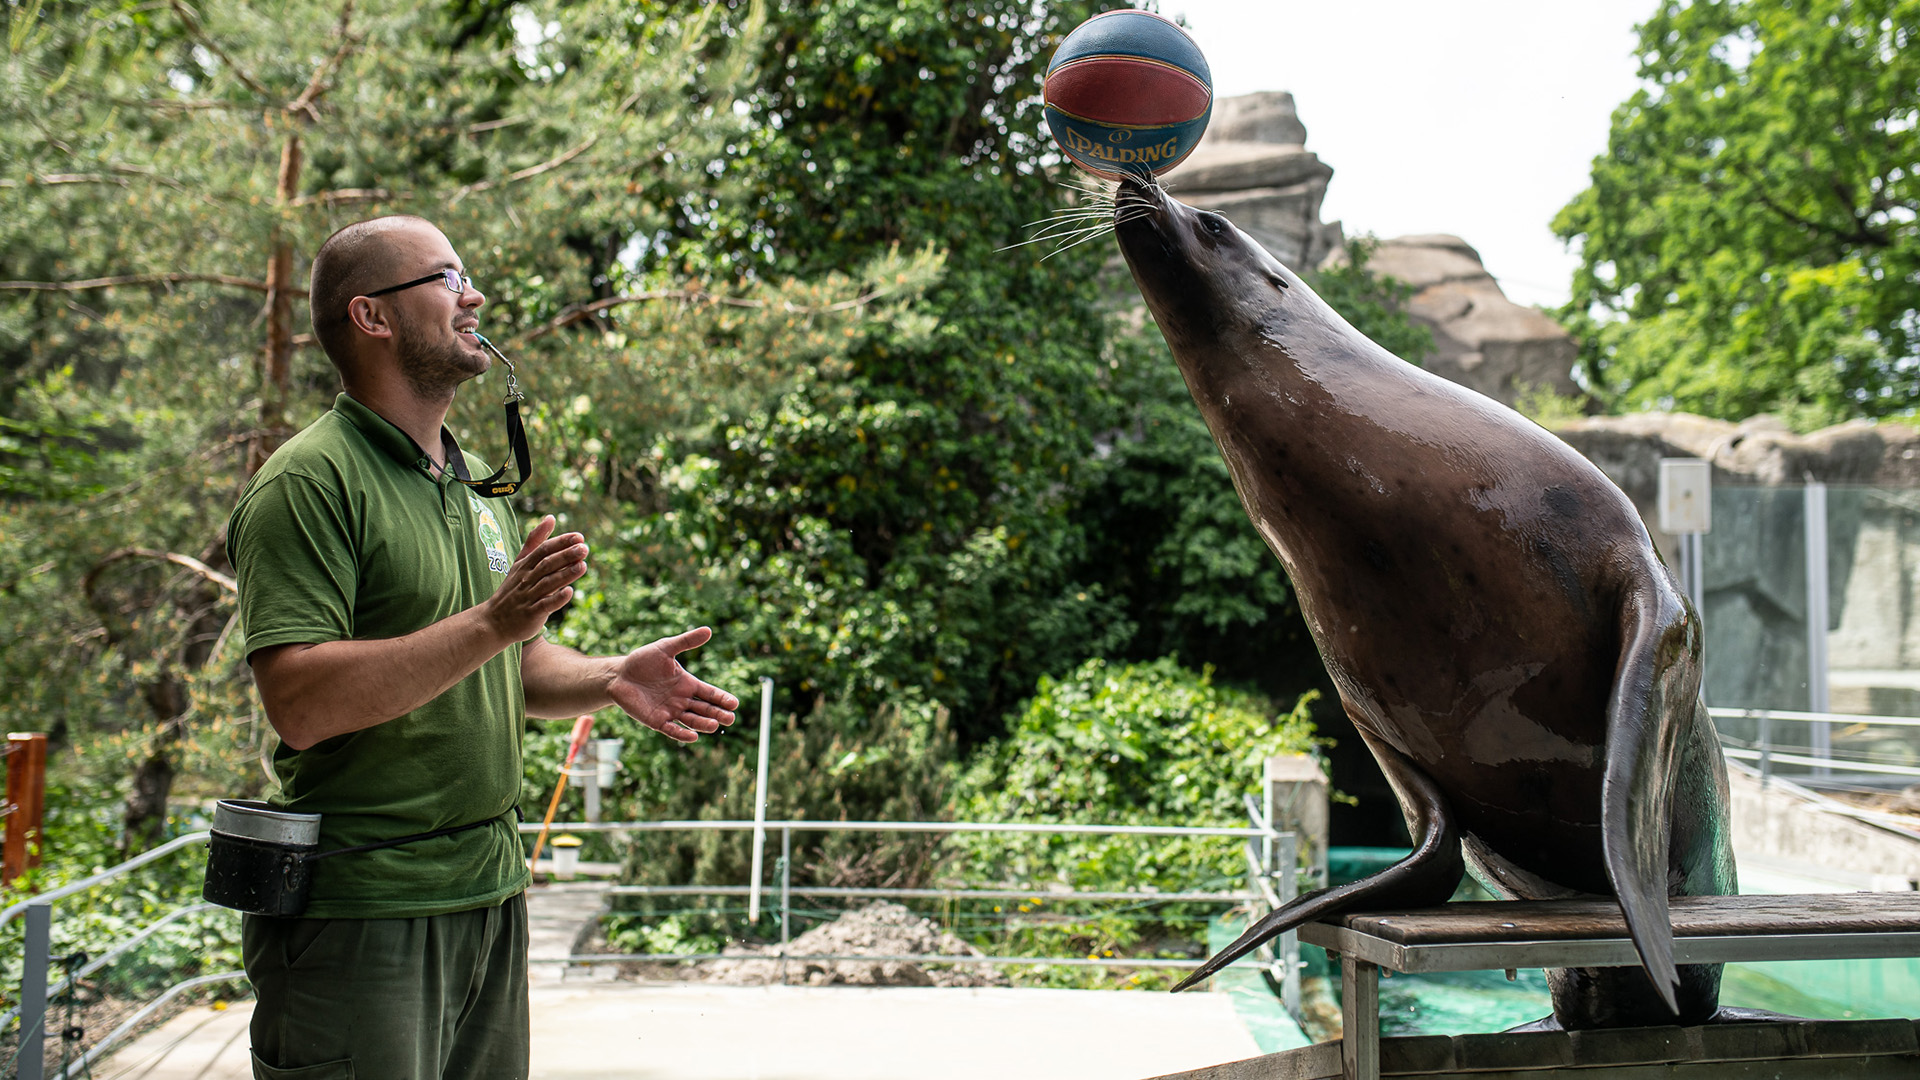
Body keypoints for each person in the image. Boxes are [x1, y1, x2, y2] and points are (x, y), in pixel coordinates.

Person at [226, 215, 740, 1079]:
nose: (477, 296)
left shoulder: (472, 487)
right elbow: (302, 703)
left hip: (490, 894)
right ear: (372, 317)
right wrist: (492, 623)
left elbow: (509, 663)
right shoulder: (308, 483)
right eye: (446, 277)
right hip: (366, 912)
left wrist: (611, 675)